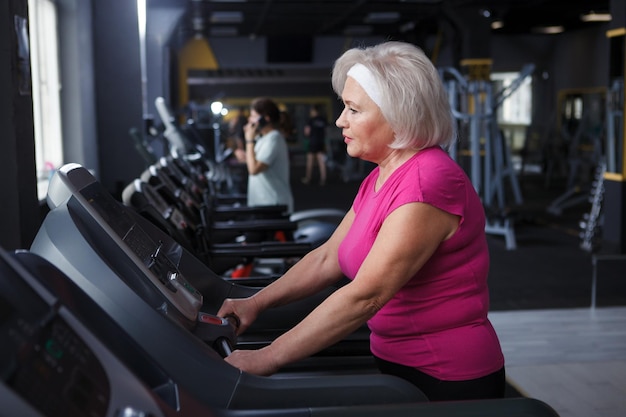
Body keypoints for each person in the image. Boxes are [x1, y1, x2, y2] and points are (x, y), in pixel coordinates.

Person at [218, 41, 505, 402]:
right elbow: (327, 258)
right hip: (396, 363)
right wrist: (255, 303)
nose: (340, 120)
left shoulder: (427, 180)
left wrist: (267, 357)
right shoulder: (383, 175)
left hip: (446, 377)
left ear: (399, 116)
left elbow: (366, 295)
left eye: (353, 109)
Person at [234, 97, 294, 213]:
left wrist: (249, 141)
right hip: (263, 203)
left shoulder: (274, 138)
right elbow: (259, 162)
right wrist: (246, 157)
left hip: (273, 204)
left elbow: (254, 169)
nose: (250, 120)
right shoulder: (263, 138)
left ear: (265, 119)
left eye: (253, 116)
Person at [302, 104, 328, 185]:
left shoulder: (311, 120)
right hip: (321, 142)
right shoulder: (323, 120)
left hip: (312, 142)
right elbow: (327, 131)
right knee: (321, 161)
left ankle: (308, 178)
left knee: (310, 161)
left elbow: (307, 132)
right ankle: (323, 178)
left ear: (314, 111)